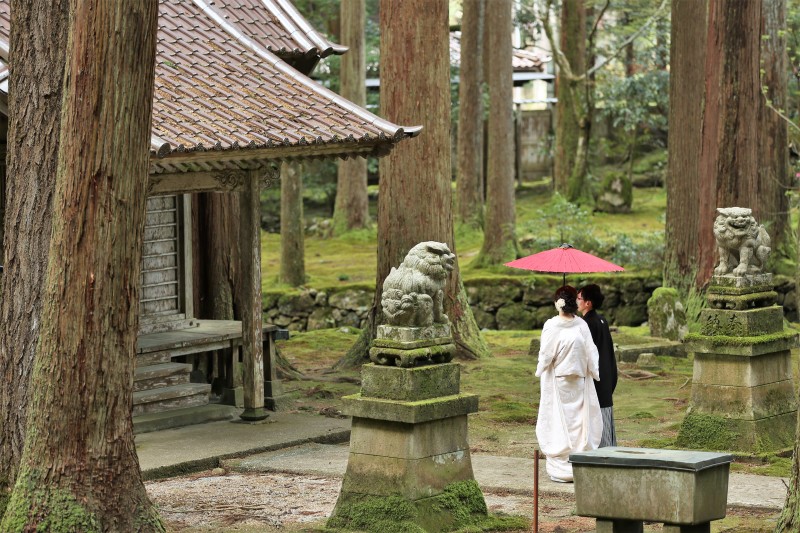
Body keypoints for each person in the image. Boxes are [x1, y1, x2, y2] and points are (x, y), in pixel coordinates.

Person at [535, 285, 602, 483]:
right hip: (572, 380)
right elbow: (591, 352)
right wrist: (594, 371)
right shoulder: (580, 325)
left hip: (565, 381)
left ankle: (565, 464)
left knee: (565, 420)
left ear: (558, 303)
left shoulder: (553, 325)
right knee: (575, 422)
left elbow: (546, 354)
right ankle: (573, 462)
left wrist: (540, 368)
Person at [578, 284, 618, 447]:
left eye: (579, 298)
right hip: (606, 374)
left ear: (588, 303)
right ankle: (608, 449)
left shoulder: (585, 324)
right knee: (604, 413)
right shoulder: (602, 320)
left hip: (595, 377)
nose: (576, 301)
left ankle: (601, 452)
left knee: (596, 416)